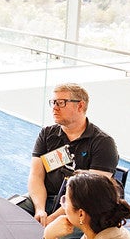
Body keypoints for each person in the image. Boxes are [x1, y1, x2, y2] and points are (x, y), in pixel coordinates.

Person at [24, 83, 119, 226]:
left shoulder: (103, 143)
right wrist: (40, 210)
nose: (55, 107)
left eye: (61, 103)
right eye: (53, 102)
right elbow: (36, 175)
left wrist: (52, 219)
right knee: (6, 215)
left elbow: (89, 194)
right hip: (44, 198)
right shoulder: (47, 134)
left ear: (80, 106)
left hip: (80, 210)